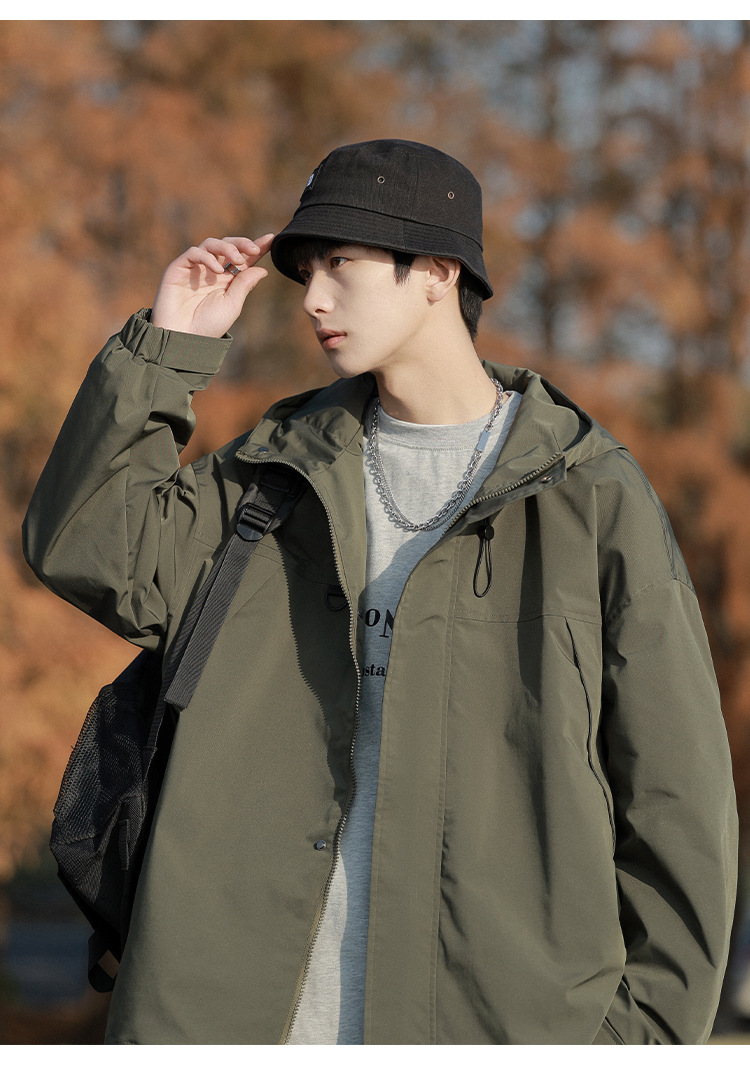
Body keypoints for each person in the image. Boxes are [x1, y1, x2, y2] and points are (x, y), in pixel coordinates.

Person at [23, 139, 737, 1045]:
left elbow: (676, 797)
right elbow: (85, 545)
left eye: (341, 264)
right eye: (307, 272)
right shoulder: (269, 477)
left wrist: (636, 1043)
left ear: (437, 272)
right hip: (222, 1025)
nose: (312, 298)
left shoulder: (587, 496)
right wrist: (168, 349)